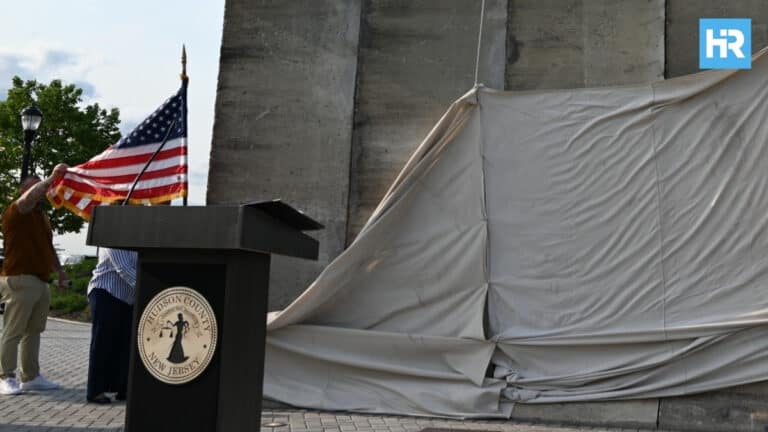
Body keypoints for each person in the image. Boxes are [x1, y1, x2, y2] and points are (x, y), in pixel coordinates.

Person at [0, 164, 69, 395]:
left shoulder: (42, 216)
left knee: (34, 331)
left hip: (40, 281)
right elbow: (30, 196)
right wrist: (51, 178)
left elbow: (47, 247)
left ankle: (30, 377)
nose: (42, 192)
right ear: (23, 192)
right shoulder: (15, 211)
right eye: (35, 188)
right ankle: (5, 376)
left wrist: (59, 271)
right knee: (13, 331)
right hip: (19, 278)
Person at [86, 246, 136, 404]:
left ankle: (122, 389)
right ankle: (95, 391)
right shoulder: (113, 238)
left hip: (127, 298)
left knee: (125, 345)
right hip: (105, 293)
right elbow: (124, 268)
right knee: (102, 342)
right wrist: (150, 286)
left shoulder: (137, 238)